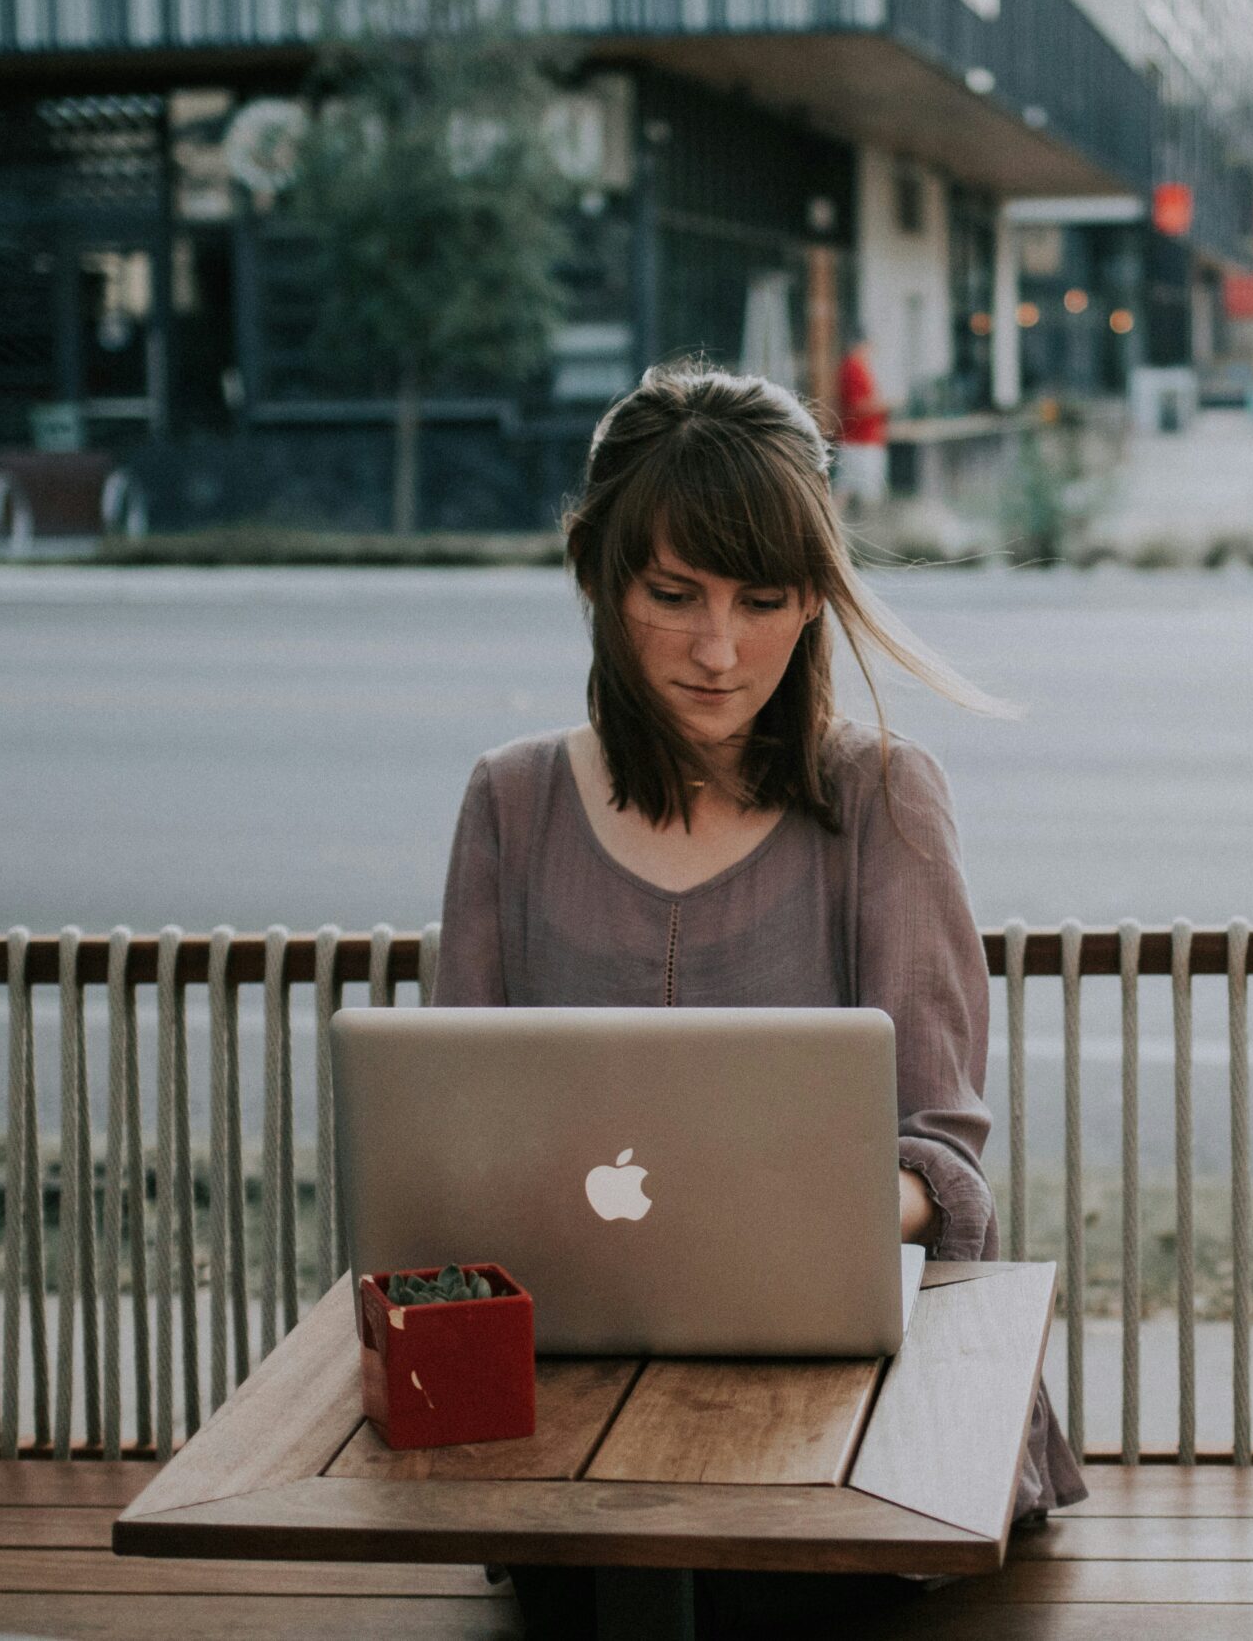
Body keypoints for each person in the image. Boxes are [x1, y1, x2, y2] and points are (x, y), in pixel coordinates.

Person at [432, 362, 1084, 1638]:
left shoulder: (881, 798)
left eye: (764, 599)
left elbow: (943, 1164)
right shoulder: (512, 803)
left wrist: (781, 1214)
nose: (719, 651)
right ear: (597, 577)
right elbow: (451, 1138)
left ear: (814, 602)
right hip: (571, 1412)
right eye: (672, 596)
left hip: (849, 1416)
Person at [833, 333, 891, 518]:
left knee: (847, 487)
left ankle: (837, 525)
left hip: (862, 439)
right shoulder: (853, 368)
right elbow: (856, 406)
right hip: (859, 440)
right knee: (862, 490)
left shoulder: (857, 368)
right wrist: (884, 405)